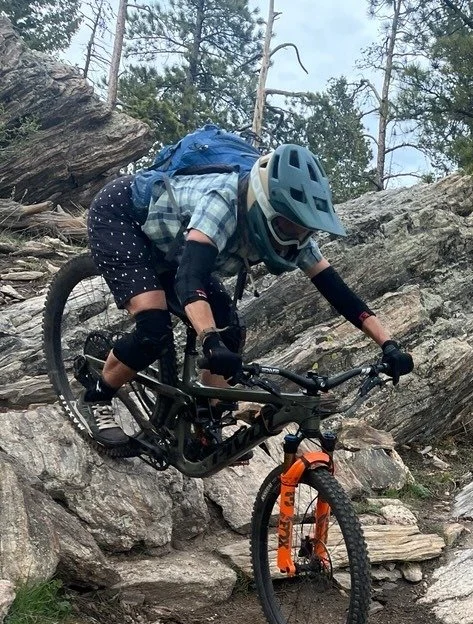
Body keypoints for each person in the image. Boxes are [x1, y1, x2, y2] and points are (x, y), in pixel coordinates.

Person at [83, 143, 414, 449]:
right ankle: (97, 398)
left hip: (174, 245)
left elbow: (339, 293)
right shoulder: (223, 202)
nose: (295, 240)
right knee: (154, 331)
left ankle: (206, 423)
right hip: (124, 216)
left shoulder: (293, 234)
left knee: (232, 330)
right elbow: (189, 278)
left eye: (305, 231)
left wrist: (388, 344)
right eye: (289, 228)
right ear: (264, 206)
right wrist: (209, 340)